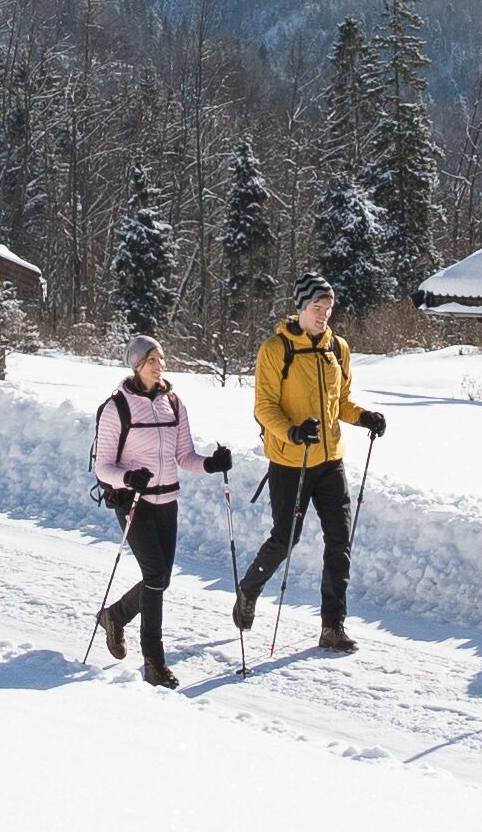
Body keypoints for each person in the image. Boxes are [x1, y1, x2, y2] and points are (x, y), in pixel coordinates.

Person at [232, 276, 391, 649]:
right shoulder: (275, 350)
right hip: (289, 461)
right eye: (317, 308)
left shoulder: (338, 348)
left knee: (340, 542)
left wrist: (365, 416)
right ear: (300, 308)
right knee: (286, 539)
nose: (324, 315)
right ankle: (248, 589)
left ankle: (332, 627)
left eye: (328, 309)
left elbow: (341, 403)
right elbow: (264, 407)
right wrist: (292, 432)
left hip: (330, 459)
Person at [86, 335, 226, 689]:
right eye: (151, 360)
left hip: (169, 501)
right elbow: (102, 467)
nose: (159, 365)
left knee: (160, 578)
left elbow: (184, 457)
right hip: (135, 503)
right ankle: (154, 662)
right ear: (136, 364)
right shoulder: (117, 408)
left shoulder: (174, 403)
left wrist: (211, 463)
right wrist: (127, 477)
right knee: (154, 576)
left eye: (161, 358)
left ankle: (114, 617)